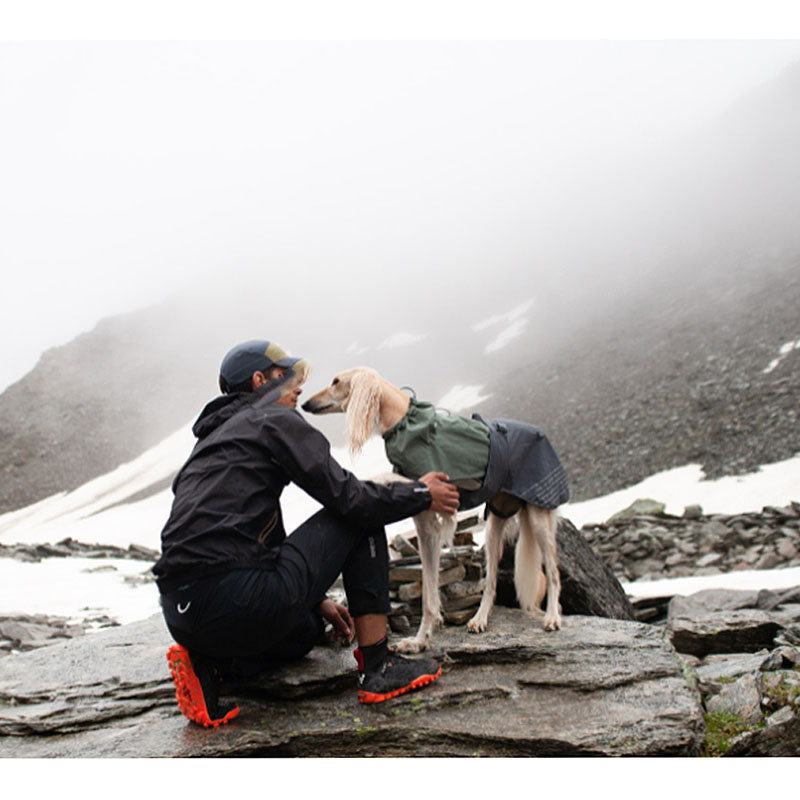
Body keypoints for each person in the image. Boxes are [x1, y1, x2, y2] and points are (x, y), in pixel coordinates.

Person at [153, 339, 460, 727]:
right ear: (260, 380)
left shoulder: (208, 445)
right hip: (237, 597)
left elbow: (244, 532)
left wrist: (314, 601)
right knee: (358, 515)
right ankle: (378, 666)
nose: (298, 386)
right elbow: (350, 499)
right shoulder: (273, 419)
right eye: (288, 376)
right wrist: (419, 493)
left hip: (183, 614)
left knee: (306, 632)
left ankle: (213, 666)